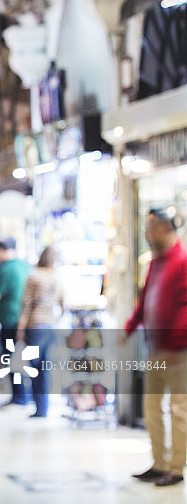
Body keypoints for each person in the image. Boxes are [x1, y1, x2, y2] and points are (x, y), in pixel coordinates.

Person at [123, 208, 187, 487]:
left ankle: (176, 467)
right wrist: (129, 328)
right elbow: (146, 298)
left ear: (163, 228)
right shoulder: (155, 262)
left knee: (179, 409)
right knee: (151, 408)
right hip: (156, 349)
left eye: (150, 228)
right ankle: (159, 463)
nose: (146, 234)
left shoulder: (183, 260)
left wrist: (174, 344)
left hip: (178, 352)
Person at [16, 245, 64, 418]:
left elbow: (26, 305)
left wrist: (20, 330)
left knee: (34, 368)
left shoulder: (33, 276)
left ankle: (39, 407)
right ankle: (43, 407)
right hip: (50, 327)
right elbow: (63, 306)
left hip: (35, 327)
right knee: (45, 367)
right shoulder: (56, 278)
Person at [0, 238, 30, 407]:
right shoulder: (26, 266)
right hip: (25, 321)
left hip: (9, 320)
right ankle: (26, 396)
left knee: (10, 359)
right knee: (23, 358)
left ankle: (18, 397)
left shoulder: (5, 269)